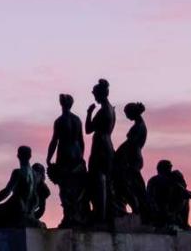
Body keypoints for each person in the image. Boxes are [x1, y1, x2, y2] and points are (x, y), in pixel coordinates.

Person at [45, 93, 88, 226]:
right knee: (77, 187)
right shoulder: (77, 120)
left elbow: (54, 141)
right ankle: (76, 215)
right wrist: (81, 157)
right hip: (76, 154)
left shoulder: (60, 121)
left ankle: (69, 216)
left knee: (65, 187)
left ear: (61, 104)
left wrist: (48, 158)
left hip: (64, 154)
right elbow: (81, 141)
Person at [85, 79, 117, 224]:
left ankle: (100, 216)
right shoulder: (111, 109)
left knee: (98, 180)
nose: (95, 98)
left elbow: (88, 129)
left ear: (100, 94)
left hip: (100, 146)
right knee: (105, 181)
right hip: (108, 145)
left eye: (95, 95)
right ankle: (104, 214)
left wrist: (89, 113)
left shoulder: (103, 110)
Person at [113, 101, 150, 219]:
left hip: (132, 159)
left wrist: (120, 156)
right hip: (132, 157)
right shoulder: (139, 124)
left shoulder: (138, 126)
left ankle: (138, 209)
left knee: (130, 185)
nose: (126, 116)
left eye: (127, 114)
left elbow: (131, 144)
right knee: (130, 184)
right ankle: (137, 208)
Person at [146, 159, 191, 230]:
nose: (169, 170)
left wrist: (178, 180)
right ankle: (171, 222)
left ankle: (184, 223)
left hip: (170, 209)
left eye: (169, 168)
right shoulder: (154, 181)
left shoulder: (172, 179)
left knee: (184, 197)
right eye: (167, 168)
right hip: (159, 211)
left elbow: (189, 194)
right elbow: (150, 198)